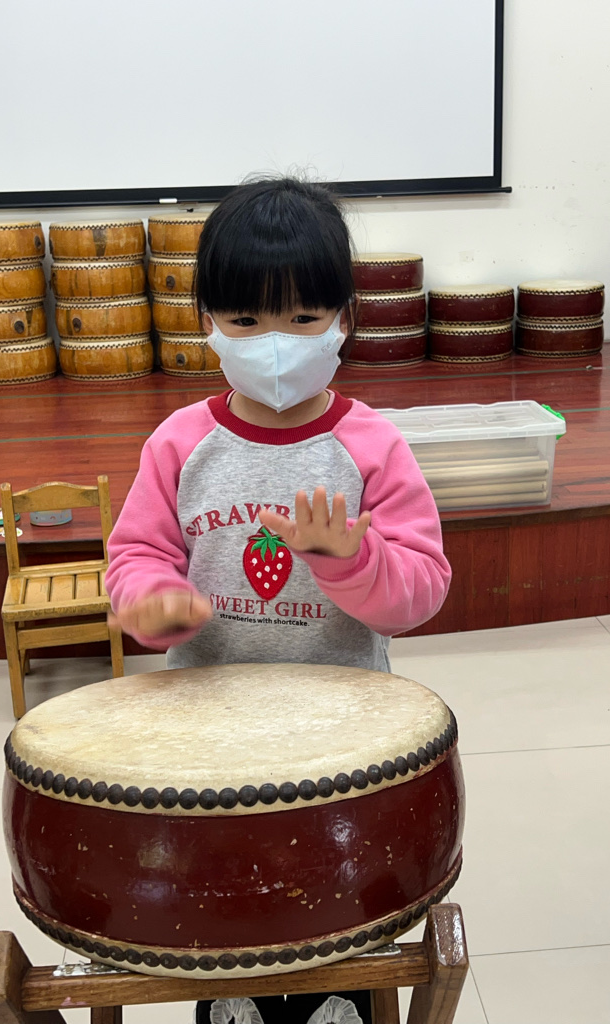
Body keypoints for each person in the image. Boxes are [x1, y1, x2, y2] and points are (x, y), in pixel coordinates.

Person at [105, 176, 452, 1024]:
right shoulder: (180, 443)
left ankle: (339, 988)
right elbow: (136, 554)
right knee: (225, 879)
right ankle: (231, 989)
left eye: (302, 318)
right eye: (246, 319)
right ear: (205, 321)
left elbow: (421, 591)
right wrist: (151, 597)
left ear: (344, 320)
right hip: (211, 730)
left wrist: (353, 558)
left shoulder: (372, 446)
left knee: (336, 879)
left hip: (345, 733)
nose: (274, 344)